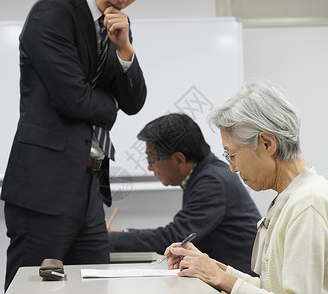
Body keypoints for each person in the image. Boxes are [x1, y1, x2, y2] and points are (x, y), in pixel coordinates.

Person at [1, 0, 146, 290]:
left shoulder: (117, 23)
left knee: (94, 284)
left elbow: (133, 102)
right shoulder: (53, 11)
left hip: (90, 182)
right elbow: (73, 99)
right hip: (45, 184)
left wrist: (125, 50)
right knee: (34, 286)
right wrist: (112, 104)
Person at [164, 79, 328, 293]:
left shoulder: (309, 203)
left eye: (232, 155)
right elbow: (272, 287)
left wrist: (218, 276)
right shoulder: (291, 196)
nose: (232, 168)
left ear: (267, 143)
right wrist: (209, 266)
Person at [108, 113, 261, 275]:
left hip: (240, 280)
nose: (149, 168)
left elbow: (174, 237)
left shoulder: (212, 181)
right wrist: (123, 234)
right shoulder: (206, 173)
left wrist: (106, 239)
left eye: (151, 159)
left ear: (179, 160)